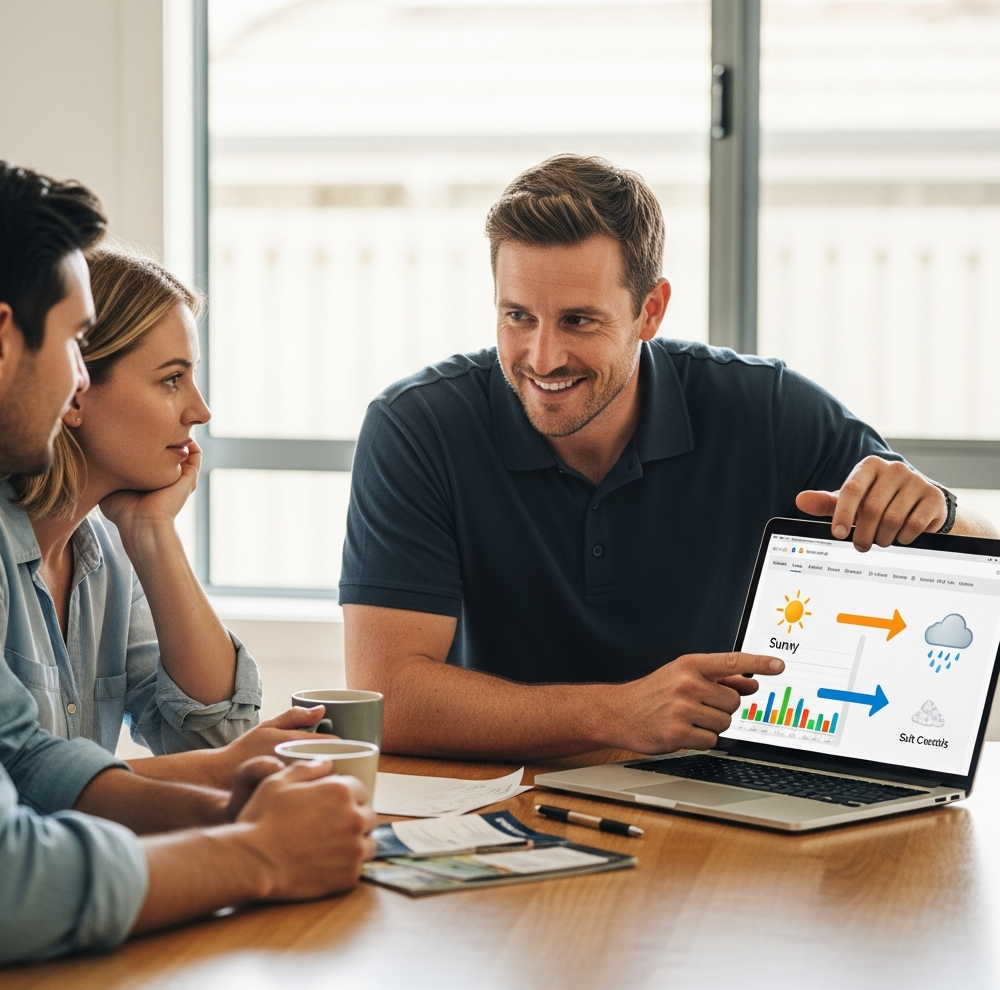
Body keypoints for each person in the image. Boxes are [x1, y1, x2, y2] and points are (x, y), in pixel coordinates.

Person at [340, 154, 998, 762]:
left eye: (579, 320)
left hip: (725, 795)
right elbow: (385, 700)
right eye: (518, 316)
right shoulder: (416, 428)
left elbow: (979, 558)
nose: (541, 358)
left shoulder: (768, 409)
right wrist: (619, 713)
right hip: (509, 800)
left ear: (649, 310)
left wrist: (942, 513)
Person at [0, 153, 374, 966]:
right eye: (77, 347)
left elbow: (29, 757)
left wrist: (231, 795)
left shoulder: (100, 545)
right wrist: (256, 850)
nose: (76, 381)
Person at [0, 245, 320, 789]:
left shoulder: (109, 551)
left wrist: (153, 534)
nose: (200, 411)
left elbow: (215, 736)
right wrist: (218, 768)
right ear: (74, 389)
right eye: (171, 379)